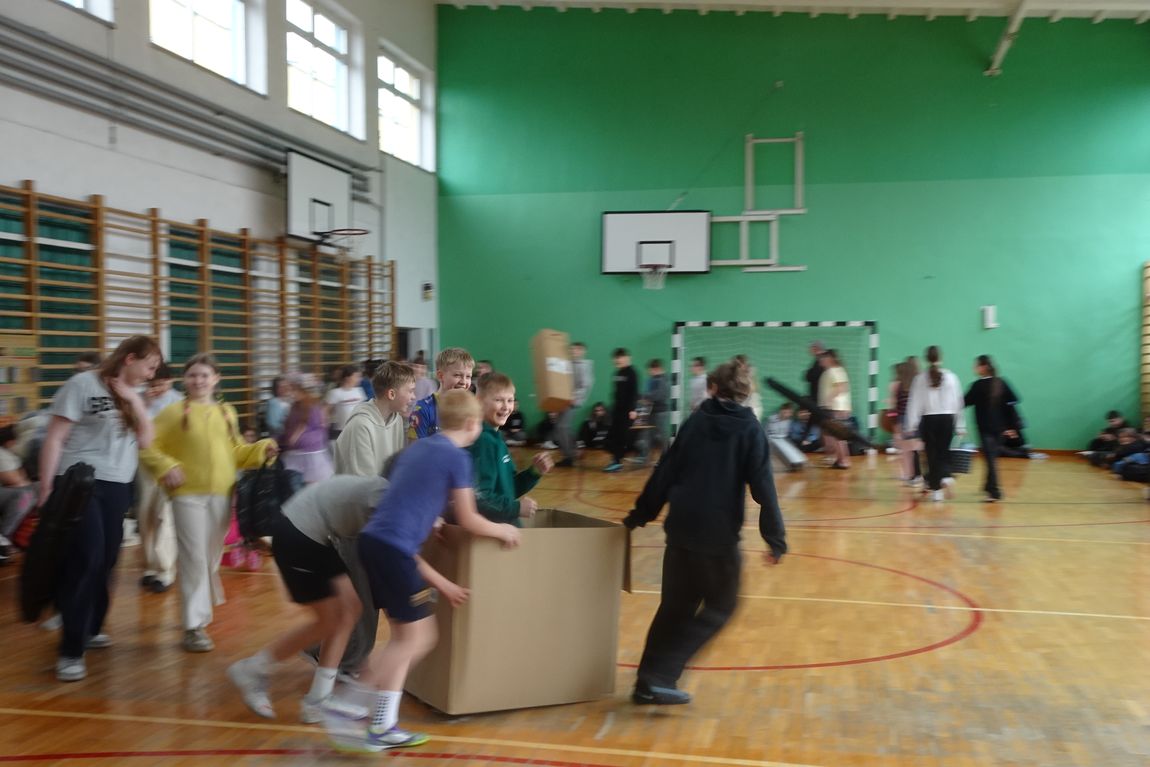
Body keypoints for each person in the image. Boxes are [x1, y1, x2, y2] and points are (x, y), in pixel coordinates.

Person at [352, 389, 521, 751]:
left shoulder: (420, 447)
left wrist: (434, 517)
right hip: (395, 549)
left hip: (374, 543)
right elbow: (469, 518)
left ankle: (381, 725)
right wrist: (503, 530)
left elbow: (415, 495)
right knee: (419, 638)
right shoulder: (457, 457)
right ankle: (348, 703)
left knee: (404, 638)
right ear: (473, 424)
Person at [623, 361, 786, 705]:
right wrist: (775, 538)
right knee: (721, 606)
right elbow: (763, 487)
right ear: (747, 392)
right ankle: (661, 676)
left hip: (680, 529)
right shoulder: (750, 429)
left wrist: (641, 513)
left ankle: (647, 682)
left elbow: (665, 472)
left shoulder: (695, 422)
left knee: (674, 608)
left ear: (712, 387)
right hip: (716, 536)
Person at [39, 335, 162, 682]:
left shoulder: (136, 394)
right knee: (88, 556)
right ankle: (71, 649)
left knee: (107, 559)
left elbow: (146, 441)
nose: (152, 374)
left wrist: (134, 401)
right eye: (150, 366)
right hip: (80, 480)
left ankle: (92, 627)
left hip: (118, 484)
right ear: (130, 359)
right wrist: (46, 487)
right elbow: (55, 438)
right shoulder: (82, 384)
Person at [140, 354, 278, 653]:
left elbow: (236, 452)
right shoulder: (172, 413)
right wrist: (165, 466)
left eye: (204, 375)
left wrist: (261, 449)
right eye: (192, 375)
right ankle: (193, 626)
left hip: (222, 494)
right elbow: (147, 445)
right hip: (186, 495)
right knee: (193, 557)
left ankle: (199, 609)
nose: (198, 380)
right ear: (184, 380)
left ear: (216, 379)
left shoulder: (226, 412)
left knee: (210, 557)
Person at [227, 475, 389, 722]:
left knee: (350, 609)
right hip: (298, 535)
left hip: (314, 533)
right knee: (331, 621)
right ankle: (252, 669)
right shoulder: (384, 498)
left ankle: (319, 697)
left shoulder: (387, 493)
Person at [468, 373, 553, 526]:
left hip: (506, 530)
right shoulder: (484, 441)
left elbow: (509, 488)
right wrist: (516, 508)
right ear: (479, 401)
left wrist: (534, 472)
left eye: (510, 400)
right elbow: (480, 497)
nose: (506, 407)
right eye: (498, 400)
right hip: (493, 532)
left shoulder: (496, 439)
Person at [137, 363, 183, 594]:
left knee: (164, 515)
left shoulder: (179, 401)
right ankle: (149, 566)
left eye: (162, 384)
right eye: (153, 384)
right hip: (145, 462)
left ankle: (165, 571)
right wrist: (144, 403)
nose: (157, 388)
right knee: (145, 515)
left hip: (170, 462)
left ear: (170, 381)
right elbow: (132, 428)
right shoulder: (138, 399)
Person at [334, 361, 417, 478]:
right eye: (410, 391)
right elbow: (363, 482)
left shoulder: (397, 419)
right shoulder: (360, 425)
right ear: (392, 394)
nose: (414, 397)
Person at [906, 346, 966, 503]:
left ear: (926, 358)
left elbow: (914, 402)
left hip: (929, 419)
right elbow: (958, 402)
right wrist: (960, 424)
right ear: (941, 358)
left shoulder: (920, 379)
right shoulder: (951, 377)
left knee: (931, 454)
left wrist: (912, 424)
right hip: (947, 419)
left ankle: (936, 491)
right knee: (943, 451)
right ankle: (945, 477)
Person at [964, 355, 1019, 503]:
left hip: (985, 428)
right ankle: (988, 485)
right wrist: (1011, 425)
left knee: (990, 460)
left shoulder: (977, 386)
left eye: (976, 365)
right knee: (992, 458)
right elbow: (1013, 400)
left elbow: (964, 402)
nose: (974, 368)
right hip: (1000, 429)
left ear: (983, 367)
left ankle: (995, 492)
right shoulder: (1001, 382)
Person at [407, 347, 475, 440]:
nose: (464, 382)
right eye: (457, 375)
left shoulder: (472, 409)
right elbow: (415, 447)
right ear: (440, 376)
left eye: (468, 376)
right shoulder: (423, 409)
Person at [280, 375, 333, 484]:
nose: (290, 393)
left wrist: (297, 438)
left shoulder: (313, 407)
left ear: (301, 390)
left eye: (293, 390)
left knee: (311, 486)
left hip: (310, 454)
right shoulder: (295, 406)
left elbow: (319, 429)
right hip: (295, 454)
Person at [0, 425, 36, 565]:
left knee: (29, 493)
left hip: (12, 490)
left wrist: (23, 481)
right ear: (10, 441)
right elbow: (15, 480)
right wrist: (23, 481)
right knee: (25, 496)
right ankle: (4, 537)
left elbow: (22, 477)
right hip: (13, 491)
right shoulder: (2, 455)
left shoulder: (10, 455)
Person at [554, 341, 593, 467]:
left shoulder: (584, 365)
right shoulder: (567, 364)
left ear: (582, 351)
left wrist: (574, 398)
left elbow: (585, 385)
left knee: (562, 427)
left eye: (577, 349)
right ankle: (576, 448)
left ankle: (568, 457)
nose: (574, 351)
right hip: (563, 399)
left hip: (572, 401)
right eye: (572, 349)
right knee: (562, 427)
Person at [604, 348, 639, 473]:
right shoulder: (617, 373)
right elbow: (616, 393)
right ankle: (617, 459)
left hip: (627, 412)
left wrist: (633, 409)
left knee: (620, 437)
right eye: (616, 358)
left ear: (627, 358)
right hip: (616, 411)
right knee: (611, 437)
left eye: (620, 357)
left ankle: (617, 462)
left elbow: (634, 393)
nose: (617, 360)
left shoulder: (632, 373)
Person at [817, 350, 852, 469]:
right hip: (833, 407)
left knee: (838, 436)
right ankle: (840, 459)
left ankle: (843, 461)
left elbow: (841, 387)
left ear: (830, 359)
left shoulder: (835, 370)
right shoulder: (831, 371)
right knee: (835, 436)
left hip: (835, 408)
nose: (821, 360)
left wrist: (829, 399)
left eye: (824, 358)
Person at [892, 359, 923, 486]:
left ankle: (913, 475)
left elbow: (896, 406)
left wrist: (897, 423)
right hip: (913, 417)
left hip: (906, 417)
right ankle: (914, 475)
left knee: (908, 449)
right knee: (913, 448)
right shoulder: (916, 384)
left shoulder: (901, 386)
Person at [638, 359, 670, 463]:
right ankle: (645, 456)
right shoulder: (652, 379)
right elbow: (648, 394)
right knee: (647, 433)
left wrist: (645, 397)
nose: (649, 372)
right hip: (651, 411)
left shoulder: (664, 380)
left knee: (661, 435)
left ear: (657, 368)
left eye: (651, 370)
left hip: (660, 412)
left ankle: (667, 456)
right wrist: (645, 398)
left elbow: (660, 395)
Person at [326, 365, 367, 442]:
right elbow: (326, 411)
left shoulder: (359, 390)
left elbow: (364, 409)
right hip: (340, 431)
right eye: (356, 376)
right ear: (347, 377)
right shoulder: (335, 393)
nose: (360, 379)